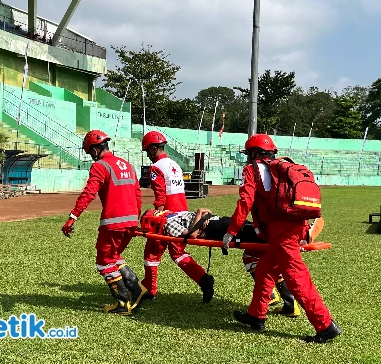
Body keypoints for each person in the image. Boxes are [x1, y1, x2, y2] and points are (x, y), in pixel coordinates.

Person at [224, 134, 341, 344]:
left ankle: (325, 325)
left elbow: (246, 201)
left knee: (298, 280)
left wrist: (231, 231)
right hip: (295, 226)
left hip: (281, 233)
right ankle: (256, 316)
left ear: (253, 153)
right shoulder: (284, 167)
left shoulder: (253, 170)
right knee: (264, 272)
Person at [143, 208, 325, 317]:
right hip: (215, 227)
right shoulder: (168, 224)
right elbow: (192, 235)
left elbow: (193, 229)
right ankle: (301, 236)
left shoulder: (171, 218)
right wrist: (200, 213)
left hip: (215, 224)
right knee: (254, 240)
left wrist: (202, 214)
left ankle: (301, 236)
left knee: (256, 240)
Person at [62, 130, 148, 315]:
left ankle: (123, 303)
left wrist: (72, 217)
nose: (90, 157)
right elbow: (138, 194)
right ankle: (136, 289)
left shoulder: (100, 166)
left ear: (94, 149)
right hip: (131, 221)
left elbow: (88, 194)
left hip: (113, 222)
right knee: (114, 255)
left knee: (104, 261)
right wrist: (136, 217)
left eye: (89, 152)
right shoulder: (127, 165)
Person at [140, 130, 214, 303]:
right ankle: (203, 279)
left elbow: (160, 193)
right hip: (182, 210)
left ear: (152, 149)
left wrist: (158, 211)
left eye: (147, 151)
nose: (147, 155)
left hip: (167, 215)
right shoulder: (174, 164)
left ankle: (150, 290)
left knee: (152, 252)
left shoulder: (156, 168)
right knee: (178, 252)